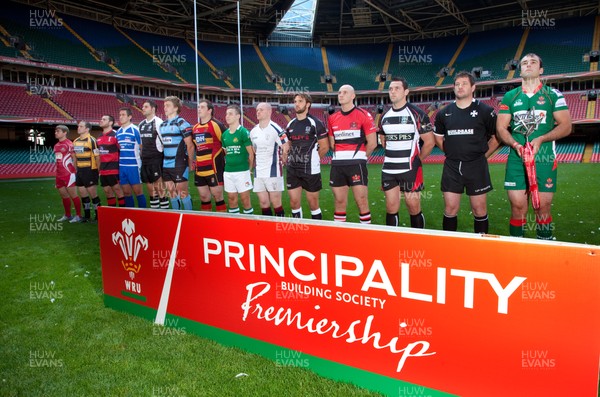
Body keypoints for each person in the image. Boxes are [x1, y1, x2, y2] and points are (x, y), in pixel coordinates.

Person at [496, 53, 572, 240]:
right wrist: (515, 144)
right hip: (516, 158)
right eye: (524, 63)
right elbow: (501, 128)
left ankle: (545, 242)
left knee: (543, 206)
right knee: (517, 207)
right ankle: (517, 245)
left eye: (533, 62)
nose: (528, 65)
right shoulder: (510, 97)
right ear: (520, 70)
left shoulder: (553, 95)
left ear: (541, 70)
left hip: (544, 157)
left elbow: (566, 126)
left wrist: (541, 139)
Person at [433, 71, 499, 234]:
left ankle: (480, 247)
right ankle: (449, 246)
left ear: (473, 87)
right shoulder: (444, 113)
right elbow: (438, 138)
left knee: (479, 209)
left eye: (464, 84)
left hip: (477, 166)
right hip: (452, 167)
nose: (460, 87)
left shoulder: (485, 111)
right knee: (450, 208)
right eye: (457, 84)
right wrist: (451, 153)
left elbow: (497, 138)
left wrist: (482, 157)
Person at [379, 77, 435, 228]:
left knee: (413, 206)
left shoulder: (417, 114)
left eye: (397, 88)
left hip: (410, 168)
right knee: (391, 207)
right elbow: (384, 141)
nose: (392, 91)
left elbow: (430, 142)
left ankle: (418, 240)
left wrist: (417, 160)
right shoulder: (384, 117)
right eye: (390, 89)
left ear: (406, 92)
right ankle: (393, 243)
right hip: (389, 169)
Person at [327, 84, 377, 223]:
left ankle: (366, 235)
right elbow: (332, 144)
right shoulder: (332, 118)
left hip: (356, 164)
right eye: (339, 92)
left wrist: (360, 158)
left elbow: (372, 143)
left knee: (361, 201)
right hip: (337, 165)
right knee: (339, 201)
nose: (341, 95)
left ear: (353, 96)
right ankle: (339, 236)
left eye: (345, 92)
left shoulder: (363, 115)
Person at [284, 92, 329, 219]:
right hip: (293, 168)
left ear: (308, 104)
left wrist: (313, 160)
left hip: (310, 170)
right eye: (295, 102)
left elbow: (324, 146)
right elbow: (289, 143)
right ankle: (299, 233)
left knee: (313, 203)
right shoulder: (290, 124)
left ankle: (317, 232)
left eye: (300, 101)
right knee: (293, 202)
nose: (297, 104)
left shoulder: (315, 123)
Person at [250, 102, 289, 216]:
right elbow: (254, 149)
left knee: (276, 202)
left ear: (269, 111)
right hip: (259, 171)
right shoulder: (253, 131)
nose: (258, 112)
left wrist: (283, 159)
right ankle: (268, 229)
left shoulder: (276, 128)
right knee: (263, 202)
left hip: (273, 171)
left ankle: (280, 228)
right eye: (257, 110)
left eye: (261, 110)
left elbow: (285, 146)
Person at [159, 96, 195, 210]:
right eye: (164, 105)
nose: (165, 108)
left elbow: (190, 145)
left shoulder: (182, 123)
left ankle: (190, 218)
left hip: (179, 163)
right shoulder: (162, 125)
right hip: (166, 164)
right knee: (171, 192)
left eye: (168, 105)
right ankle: (176, 217)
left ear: (175, 108)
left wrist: (190, 163)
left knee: (182, 192)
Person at [192, 99, 227, 212]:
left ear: (209, 110)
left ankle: (221, 224)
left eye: (202, 107)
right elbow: (196, 147)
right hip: (200, 169)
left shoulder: (217, 125)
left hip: (214, 169)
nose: (199, 109)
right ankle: (207, 225)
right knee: (204, 198)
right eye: (198, 107)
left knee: (218, 197)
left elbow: (226, 143)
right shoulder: (195, 128)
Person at [221, 104, 255, 215]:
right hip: (228, 171)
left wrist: (249, 169)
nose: (227, 116)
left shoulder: (243, 132)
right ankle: (234, 224)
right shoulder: (225, 134)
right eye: (226, 114)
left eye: (230, 114)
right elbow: (226, 153)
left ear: (238, 116)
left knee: (245, 199)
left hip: (242, 171)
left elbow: (251, 154)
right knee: (231, 198)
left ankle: (249, 225)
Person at [138, 100, 168, 209]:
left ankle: (164, 211)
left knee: (159, 186)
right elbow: (141, 144)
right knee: (150, 186)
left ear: (153, 109)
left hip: (156, 158)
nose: (143, 108)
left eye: (146, 106)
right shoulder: (141, 124)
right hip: (145, 159)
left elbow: (164, 142)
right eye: (143, 106)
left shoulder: (158, 122)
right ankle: (155, 211)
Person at [116, 107, 145, 208]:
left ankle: (143, 214)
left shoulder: (135, 130)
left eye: (123, 115)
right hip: (122, 166)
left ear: (130, 117)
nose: (121, 117)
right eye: (120, 115)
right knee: (126, 192)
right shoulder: (118, 132)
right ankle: (130, 214)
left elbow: (142, 148)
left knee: (138, 192)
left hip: (134, 165)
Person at [73, 120, 101, 222]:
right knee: (82, 193)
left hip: (90, 170)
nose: (78, 128)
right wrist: (75, 168)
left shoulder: (92, 140)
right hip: (80, 170)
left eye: (81, 126)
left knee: (93, 194)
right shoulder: (75, 141)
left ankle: (98, 216)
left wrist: (97, 171)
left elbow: (97, 157)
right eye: (78, 126)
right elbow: (75, 157)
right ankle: (87, 215)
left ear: (87, 129)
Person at [53, 125, 81, 222]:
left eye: (58, 131)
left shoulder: (69, 144)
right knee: (64, 195)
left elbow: (75, 158)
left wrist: (74, 171)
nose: (56, 133)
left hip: (68, 174)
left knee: (73, 194)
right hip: (59, 174)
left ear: (65, 133)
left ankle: (78, 216)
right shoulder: (56, 145)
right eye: (56, 131)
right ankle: (67, 215)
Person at [97, 114, 125, 207]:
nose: (101, 120)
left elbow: (122, 151)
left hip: (113, 168)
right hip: (103, 169)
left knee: (117, 190)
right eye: (101, 119)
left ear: (110, 122)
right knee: (107, 191)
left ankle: (122, 213)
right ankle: (112, 214)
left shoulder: (116, 134)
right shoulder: (99, 136)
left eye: (104, 119)